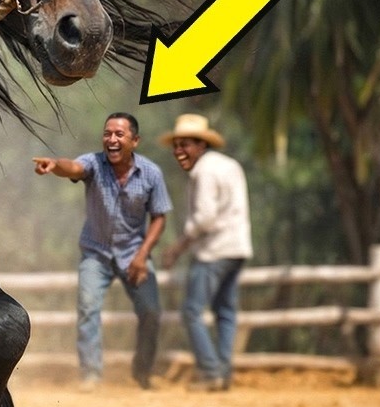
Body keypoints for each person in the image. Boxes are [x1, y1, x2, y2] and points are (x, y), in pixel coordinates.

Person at [33, 112, 172, 391]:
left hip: (134, 254)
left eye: (119, 134)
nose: (112, 139)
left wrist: (143, 255)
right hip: (96, 252)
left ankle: (142, 372)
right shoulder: (94, 163)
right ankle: (91, 374)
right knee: (88, 307)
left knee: (151, 312)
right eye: (108, 133)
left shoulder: (151, 173)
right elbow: (73, 167)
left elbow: (159, 216)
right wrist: (54, 165)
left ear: (135, 140)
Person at [159, 114, 253, 392]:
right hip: (237, 247)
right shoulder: (229, 165)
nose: (179, 151)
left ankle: (211, 372)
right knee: (225, 311)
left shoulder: (204, 172)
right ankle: (223, 372)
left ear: (201, 145)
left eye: (185, 144)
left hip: (214, 251)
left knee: (191, 311)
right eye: (176, 145)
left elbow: (205, 218)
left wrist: (177, 247)